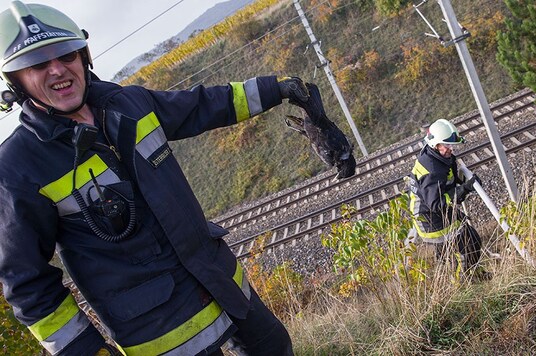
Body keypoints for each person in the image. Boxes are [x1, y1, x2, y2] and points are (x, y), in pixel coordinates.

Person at [0, 2, 309, 355]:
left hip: (221, 283)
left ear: (83, 56)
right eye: (38, 64)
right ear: (16, 81)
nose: (58, 69)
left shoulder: (128, 104)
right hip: (163, 332)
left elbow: (201, 106)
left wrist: (277, 89)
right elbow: (27, 283)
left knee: (276, 346)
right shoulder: (18, 167)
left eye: (66, 55)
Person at [405, 119, 484, 278]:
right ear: (435, 144)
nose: (451, 149)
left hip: (436, 214)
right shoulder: (432, 169)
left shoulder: (437, 156)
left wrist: (464, 182)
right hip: (431, 221)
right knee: (469, 245)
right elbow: (435, 203)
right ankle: (463, 282)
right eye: (446, 145)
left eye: (452, 145)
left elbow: (447, 181)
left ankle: (471, 275)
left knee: (469, 243)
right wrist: (464, 189)